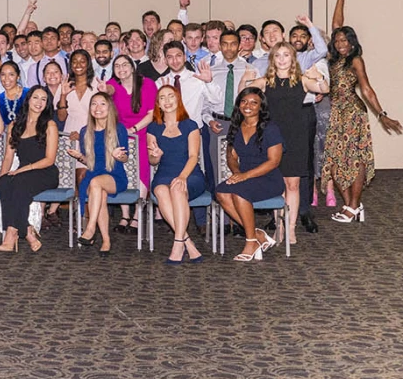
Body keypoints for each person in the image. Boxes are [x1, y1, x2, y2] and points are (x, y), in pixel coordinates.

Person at [240, 43, 328, 243]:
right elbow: (243, 94)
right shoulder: (265, 82)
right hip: (272, 137)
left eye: (286, 55)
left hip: (296, 136)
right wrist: (245, 79)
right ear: (272, 59)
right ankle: (279, 224)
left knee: (293, 184)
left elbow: (324, 88)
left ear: (292, 58)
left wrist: (318, 76)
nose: (282, 59)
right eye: (278, 55)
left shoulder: (303, 80)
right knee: (278, 184)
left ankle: (290, 228)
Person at [321, 17, 402, 223]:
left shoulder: (355, 60)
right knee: (333, 161)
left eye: (345, 41)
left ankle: (353, 206)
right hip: (336, 113)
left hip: (353, 112)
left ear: (352, 43)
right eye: (338, 40)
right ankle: (350, 205)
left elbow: (366, 88)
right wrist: (340, 0)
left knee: (355, 159)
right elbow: (336, 25)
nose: (340, 44)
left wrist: (381, 114)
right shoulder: (332, 58)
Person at [214, 87, 284, 261]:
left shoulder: (270, 128)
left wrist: (244, 176)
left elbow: (273, 162)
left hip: (269, 178)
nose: (248, 106)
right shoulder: (236, 126)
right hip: (245, 176)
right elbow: (231, 156)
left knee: (239, 193)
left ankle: (251, 241)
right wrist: (237, 173)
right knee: (221, 192)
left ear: (261, 107)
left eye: (254, 103)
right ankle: (257, 234)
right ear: (238, 104)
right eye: (244, 101)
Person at [0, 86, 59, 253]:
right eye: (35, 98)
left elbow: (49, 159)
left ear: (47, 104)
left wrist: (22, 170)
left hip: (45, 172)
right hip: (23, 173)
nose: (39, 102)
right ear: (28, 100)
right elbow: (8, 157)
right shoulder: (15, 125)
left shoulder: (49, 125)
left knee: (18, 182)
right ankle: (26, 229)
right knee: (5, 183)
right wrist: (3, 179)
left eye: (43, 99)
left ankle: (12, 232)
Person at [147, 86, 206, 264]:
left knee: (178, 189)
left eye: (171, 96)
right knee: (161, 191)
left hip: (190, 173)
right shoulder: (153, 128)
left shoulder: (191, 125)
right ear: (158, 104)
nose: (167, 101)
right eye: (162, 98)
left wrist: (182, 177)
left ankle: (178, 243)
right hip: (164, 173)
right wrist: (155, 156)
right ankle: (187, 242)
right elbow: (152, 161)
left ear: (178, 99)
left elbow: (193, 157)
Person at [70, 92, 129, 255]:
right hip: (94, 174)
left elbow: (125, 158)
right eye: (94, 104)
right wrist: (80, 157)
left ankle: (90, 228)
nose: (98, 108)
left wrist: (120, 155)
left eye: (102, 104)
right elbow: (91, 163)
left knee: (96, 184)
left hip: (115, 175)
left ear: (109, 107)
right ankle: (106, 240)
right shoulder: (85, 132)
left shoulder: (119, 129)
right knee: (99, 192)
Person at [103, 54, 156, 233]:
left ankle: (137, 216)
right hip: (119, 134)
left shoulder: (147, 83)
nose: (121, 68)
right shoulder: (114, 84)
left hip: (142, 131)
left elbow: (151, 113)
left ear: (132, 67)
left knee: (140, 172)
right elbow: (109, 89)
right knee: (122, 171)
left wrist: (133, 130)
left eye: (125, 64)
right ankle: (125, 215)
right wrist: (104, 89)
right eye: (117, 65)